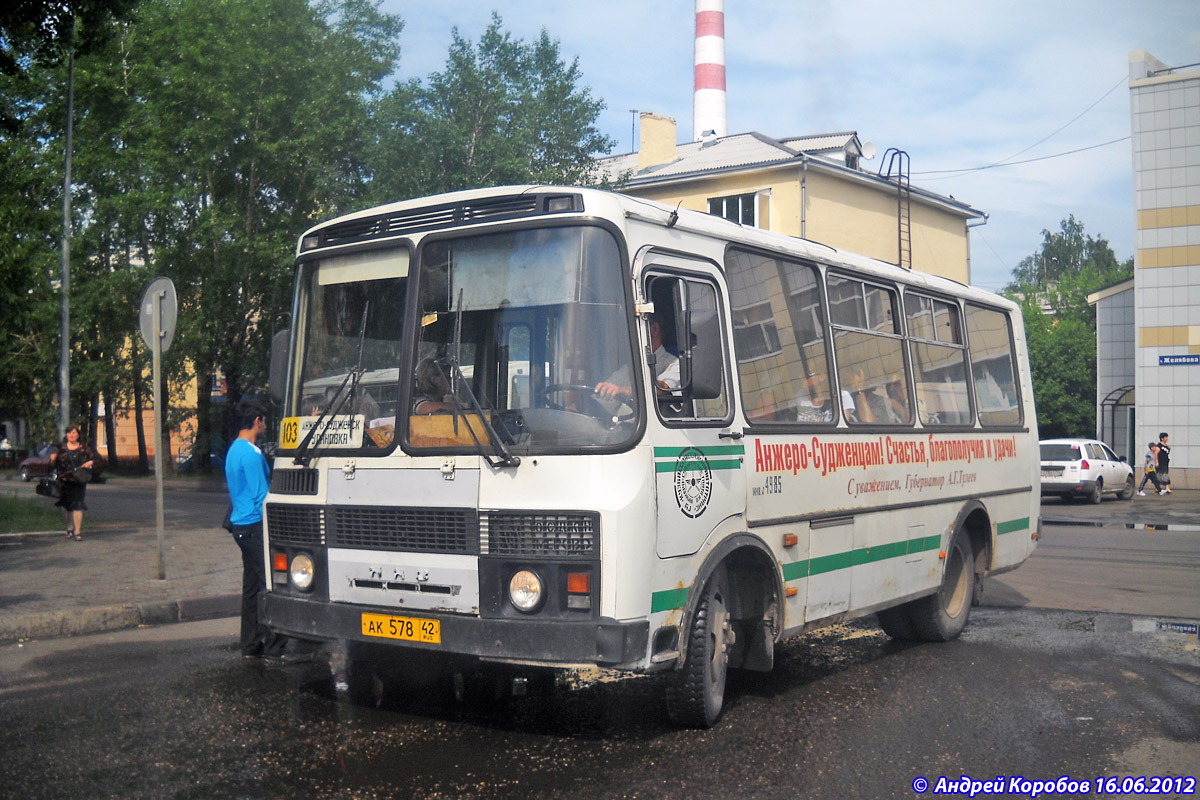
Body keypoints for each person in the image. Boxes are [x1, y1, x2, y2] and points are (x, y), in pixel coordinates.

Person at [225, 402, 304, 664]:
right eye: (265, 421)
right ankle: (275, 647)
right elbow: (262, 496)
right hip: (256, 525)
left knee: (252, 587)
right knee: (273, 585)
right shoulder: (251, 454)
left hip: (240, 526)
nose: (266, 425)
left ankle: (249, 643)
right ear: (256, 421)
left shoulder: (233, 450)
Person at [593, 313, 679, 401]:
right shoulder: (628, 369)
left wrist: (624, 391)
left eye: (632, 329)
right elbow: (602, 395)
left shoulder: (675, 364)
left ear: (654, 330)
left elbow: (662, 387)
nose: (627, 335)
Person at [53, 424, 96, 540]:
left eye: (74, 433)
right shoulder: (60, 448)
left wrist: (90, 463)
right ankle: (69, 527)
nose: (72, 435)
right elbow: (54, 464)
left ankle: (77, 531)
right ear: (66, 435)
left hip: (79, 480)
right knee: (68, 506)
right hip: (65, 481)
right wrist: (52, 459)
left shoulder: (84, 448)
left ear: (78, 435)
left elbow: (93, 458)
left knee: (78, 505)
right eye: (70, 433)